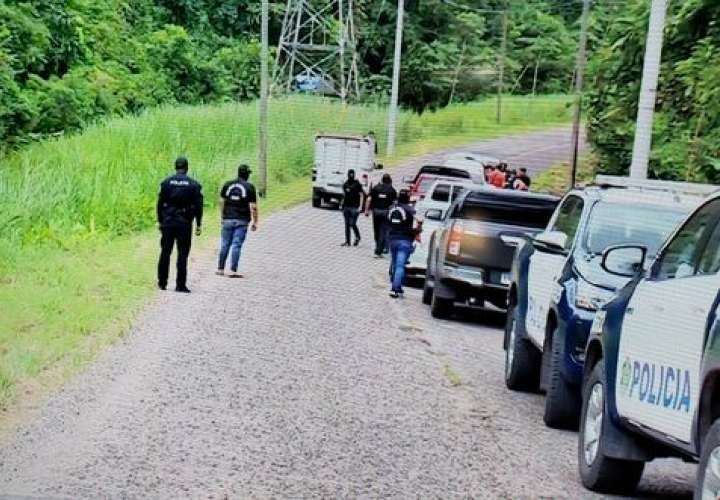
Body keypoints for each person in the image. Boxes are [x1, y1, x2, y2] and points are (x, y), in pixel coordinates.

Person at [157, 156, 204, 293]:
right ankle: (180, 285)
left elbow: (159, 204)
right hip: (184, 223)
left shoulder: (166, 183)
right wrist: (198, 223)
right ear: (187, 167)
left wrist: (160, 220)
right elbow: (198, 206)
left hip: (168, 222)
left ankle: (162, 282)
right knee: (182, 254)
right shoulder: (194, 184)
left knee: (165, 252)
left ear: (175, 167)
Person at [216, 164, 258, 278]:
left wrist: (222, 216)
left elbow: (221, 201)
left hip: (228, 219)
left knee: (225, 244)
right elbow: (253, 206)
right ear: (247, 174)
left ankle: (220, 268)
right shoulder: (250, 187)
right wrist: (255, 221)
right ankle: (233, 270)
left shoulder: (228, 184)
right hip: (242, 220)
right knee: (236, 244)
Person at [387, 189, 422, 298]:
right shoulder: (410, 209)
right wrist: (418, 229)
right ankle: (394, 288)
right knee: (400, 265)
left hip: (392, 239)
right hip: (405, 241)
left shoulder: (392, 208)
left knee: (394, 263)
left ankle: (398, 286)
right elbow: (419, 219)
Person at [366, 173, 397, 257]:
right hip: (386, 212)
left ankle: (377, 245)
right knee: (383, 231)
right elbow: (394, 203)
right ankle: (379, 249)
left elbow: (369, 199)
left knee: (376, 230)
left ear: (382, 180)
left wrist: (367, 210)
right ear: (390, 181)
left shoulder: (376, 188)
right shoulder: (392, 190)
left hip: (376, 212)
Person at [341, 169, 364, 247]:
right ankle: (347, 241)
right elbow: (344, 195)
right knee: (347, 224)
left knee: (352, 223)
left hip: (355, 207)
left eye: (352, 174)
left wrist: (360, 206)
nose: (351, 175)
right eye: (350, 174)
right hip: (346, 207)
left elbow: (361, 195)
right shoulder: (345, 184)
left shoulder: (357, 184)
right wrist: (341, 204)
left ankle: (358, 236)